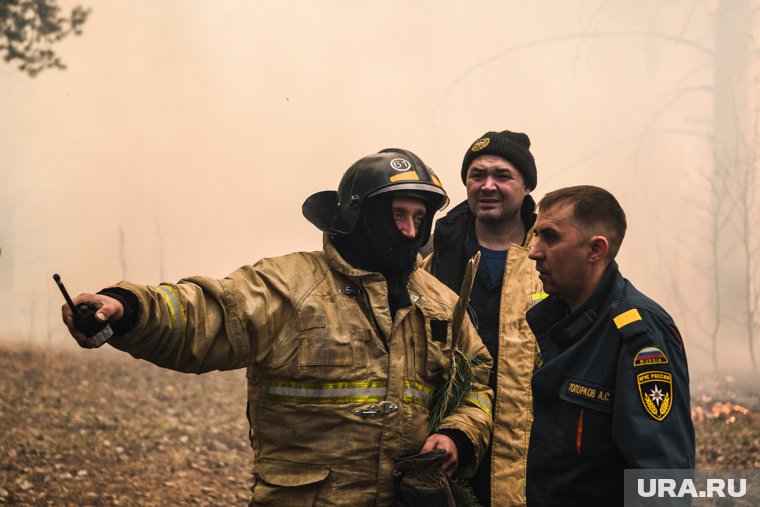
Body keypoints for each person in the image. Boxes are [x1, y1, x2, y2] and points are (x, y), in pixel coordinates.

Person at [61, 148, 494, 506]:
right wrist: (126, 307)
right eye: (398, 215)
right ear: (359, 216)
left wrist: (458, 434)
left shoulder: (441, 304)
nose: (409, 230)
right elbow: (204, 313)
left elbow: (477, 381)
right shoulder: (291, 286)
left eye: (420, 219)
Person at [525, 185, 695, 506]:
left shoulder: (639, 333)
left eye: (550, 237)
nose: (534, 251)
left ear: (596, 249)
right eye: (536, 236)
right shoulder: (559, 322)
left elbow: (662, 480)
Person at [422, 130, 543, 506]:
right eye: (477, 175)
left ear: (526, 187)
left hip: (532, 449)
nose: (487, 186)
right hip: (445, 448)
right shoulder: (432, 256)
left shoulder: (551, 255)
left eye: (502, 176)